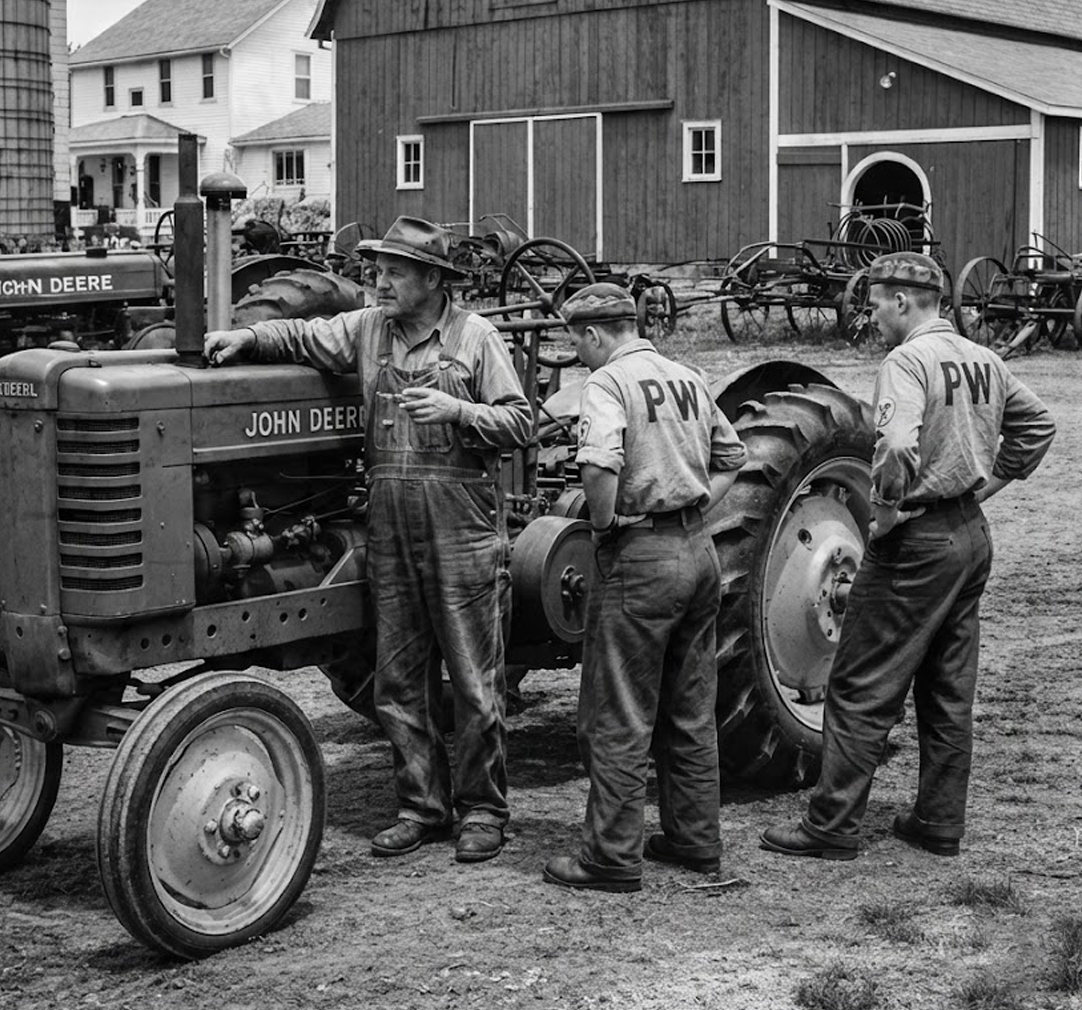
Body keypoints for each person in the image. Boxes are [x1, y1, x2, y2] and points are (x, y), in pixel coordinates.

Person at [205, 215, 532, 863]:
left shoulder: (476, 337)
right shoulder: (368, 328)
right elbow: (302, 331)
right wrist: (246, 335)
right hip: (394, 534)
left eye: (395, 270)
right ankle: (422, 807)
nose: (379, 280)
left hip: (462, 535)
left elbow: (520, 420)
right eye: (378, 268)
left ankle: (484, 812)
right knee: (399, 683)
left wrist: (460, 412)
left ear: (434, 280)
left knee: (474, 682)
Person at [761, 251, 1055, 862]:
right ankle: (939, 822)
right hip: (970, 537)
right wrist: (983, 487)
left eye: (875, 303)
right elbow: (1037, 426)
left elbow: (895, 443)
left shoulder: (909, 360)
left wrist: (887, 510)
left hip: (917, 541)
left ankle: (832, 824)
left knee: (862, 680)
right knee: (949, 688)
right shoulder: (984, 360)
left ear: (902, 301)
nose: (872, 315)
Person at [541, 283, 748, 893]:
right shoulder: (685, 376)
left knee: (618, 714)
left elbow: (600, 465)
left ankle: (610, 857)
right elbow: (731, 454)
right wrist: (693, 508)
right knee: (689, 707)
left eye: (576, 341)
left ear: (596, 334)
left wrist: (606, 523)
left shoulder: (608, 383)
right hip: (698, 551)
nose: (576, 353)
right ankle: (694, 840)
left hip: (641, 558)